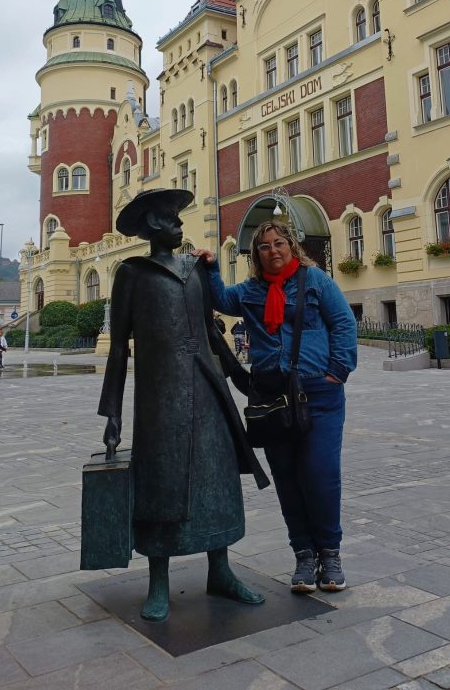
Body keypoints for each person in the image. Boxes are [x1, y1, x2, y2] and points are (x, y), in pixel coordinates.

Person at [98, 188, 269, 622]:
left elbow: (212, 331)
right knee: (162, 480)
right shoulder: (132, 274)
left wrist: (241, 378)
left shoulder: (196, 270)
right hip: (159, 397)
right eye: (173, 219)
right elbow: (119, 348)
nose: (180, 226)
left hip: (207, 387)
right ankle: (159, 582)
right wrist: (113, 413)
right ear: (154, 225)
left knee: (216, 474)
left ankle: (221, 570)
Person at [194, 220, 357, 594]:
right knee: (286, 478)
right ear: (256, 254)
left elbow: (344, 324)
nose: (273, 250)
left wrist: (338, 371)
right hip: (270, 397)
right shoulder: (250, 290)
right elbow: (220, 299)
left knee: (320, 474)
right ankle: (303, 555)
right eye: (264, 246)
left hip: (319, 393)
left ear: (292, 245)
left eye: (279, 243)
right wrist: (209, 267)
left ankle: (329, 553)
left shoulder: (316, 282)